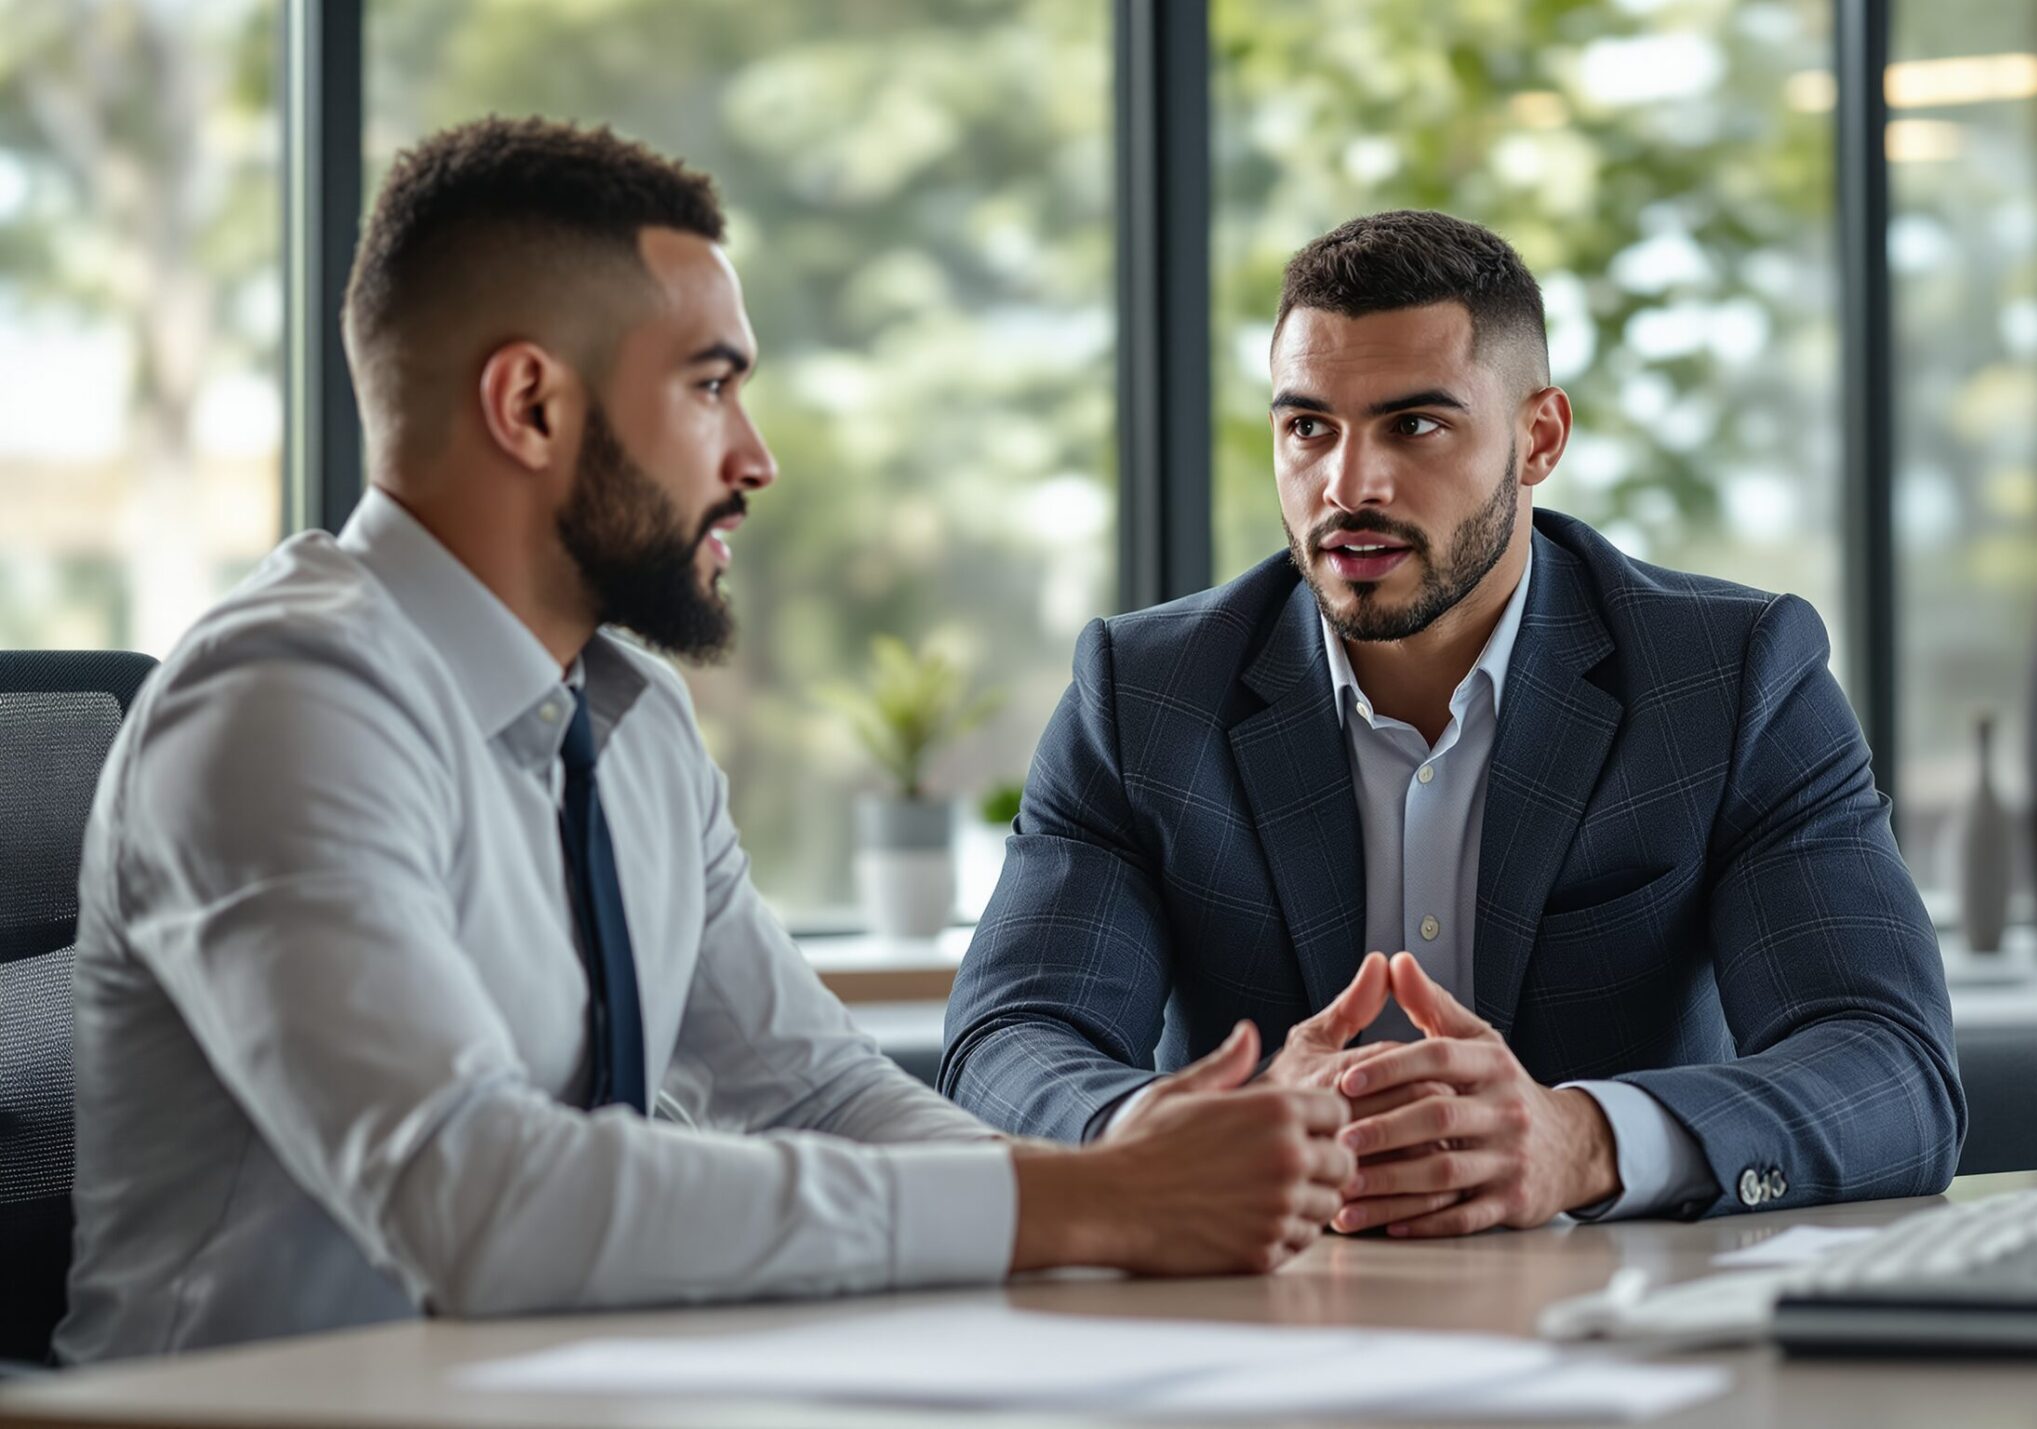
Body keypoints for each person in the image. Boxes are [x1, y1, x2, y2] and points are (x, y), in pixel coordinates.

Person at [54, 118, 1351, 1364]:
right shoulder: (283, 702)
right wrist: (1087, 1208)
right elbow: (478, 1200)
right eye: (711, 385)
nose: (757, 456)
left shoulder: (626, 715)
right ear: (530, 404)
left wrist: (1117, 1182)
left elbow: (812, 1092)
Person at [944, 210, 1964, 1237]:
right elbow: (1010, 1037)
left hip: (1615, 1332)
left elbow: (1890, 1067)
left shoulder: (1731, 677)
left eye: (1413, 425)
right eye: (1307, 427)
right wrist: (1161, 1129)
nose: (1348, 486)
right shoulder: (1148, 691)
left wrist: (1583, 1140)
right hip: (1259, 1325)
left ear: (1539, 439)